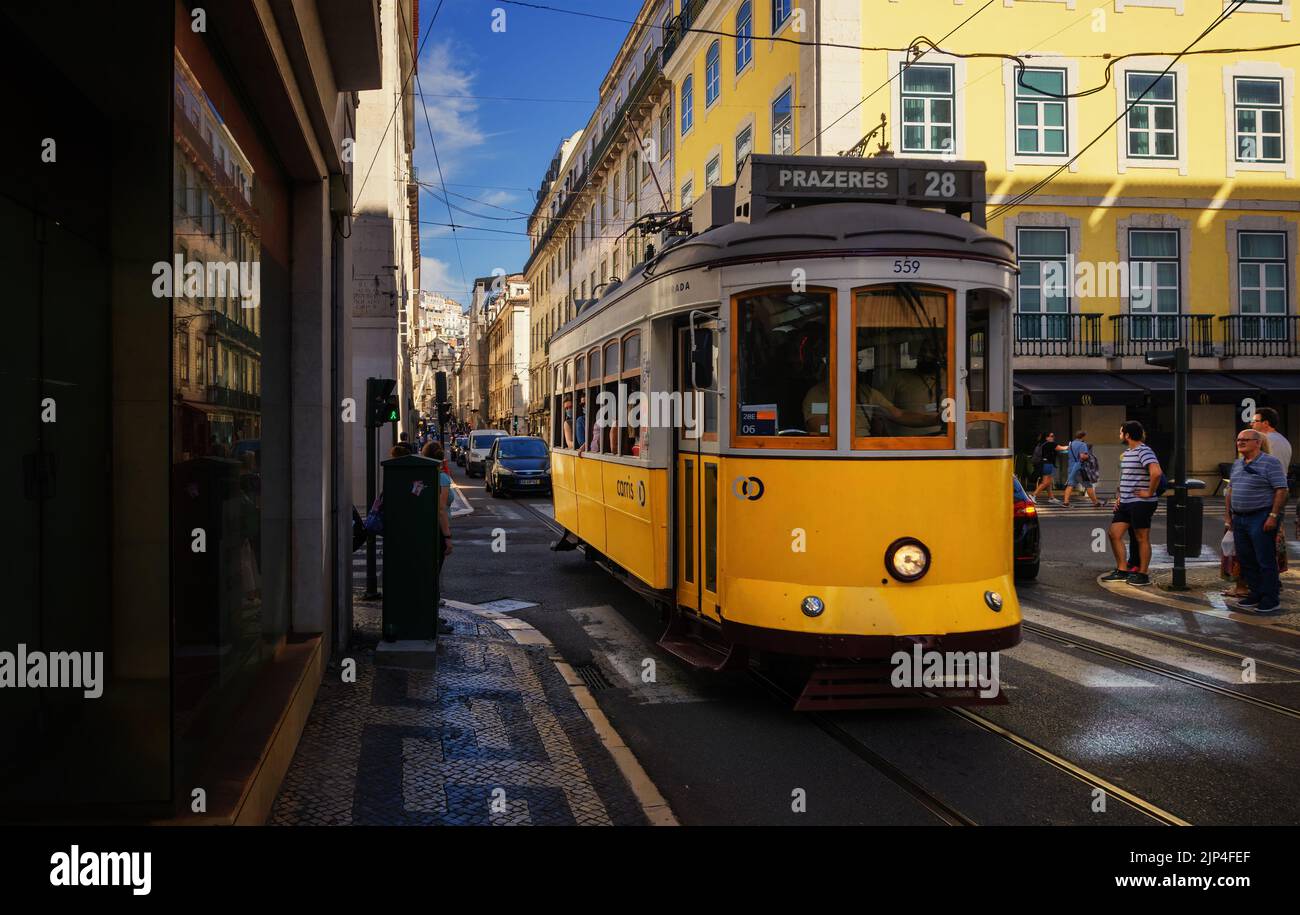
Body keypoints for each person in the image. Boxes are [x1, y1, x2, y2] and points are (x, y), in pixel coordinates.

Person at [1225, 428, 1288, 614]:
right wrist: (1228, 516)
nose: (1240, 442)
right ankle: (1256, 592)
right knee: (1246, 558)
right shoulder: (1237, 464)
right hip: (1240, 517)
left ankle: (1270, 598)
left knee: (1264, 559)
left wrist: (1273, 516)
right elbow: (1230, 490)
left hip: (1260, 516)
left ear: (1258, 443)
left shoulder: (1271, 462)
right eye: (1238, 439)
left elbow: (1281, 489)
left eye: (1245, 439)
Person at [1103, 421, 1163, 586]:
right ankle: (1122, 570)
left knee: (1141, 537)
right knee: (1114, 534)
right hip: (1126, 501)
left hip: (1141, 502)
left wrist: (1149, 492)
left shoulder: (1144, 451)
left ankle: (1143, 574)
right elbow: (1126, 477)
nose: (1120, 434)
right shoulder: (1129, 452)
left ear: (1128, 435)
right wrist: (1120, 497)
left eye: (1121, 432)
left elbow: (1156, 473)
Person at [421, 441, 454, 559]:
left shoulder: (421, 475)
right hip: (438, 530)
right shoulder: (442, 478)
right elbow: (441, 509)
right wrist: (447, 537)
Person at [1063, 430, 1102, 507]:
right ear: (1083, 436)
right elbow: (1082, 456)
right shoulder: (1082, 444)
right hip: (1080, 468)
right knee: (1088, 485)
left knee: (1070, 485)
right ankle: (1095, 502)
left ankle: (1066, 502)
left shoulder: (1070, 444)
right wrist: (1089, 456)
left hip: (1071, 467)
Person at [1030, 432, 1069, 503]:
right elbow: (1062, 448)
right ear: (1046, 437)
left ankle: (1051, 497)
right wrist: (1072, 445)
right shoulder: (1050, 444)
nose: (1053, 438)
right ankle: (1033, 495)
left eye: (1053, 436)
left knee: (1049, 482)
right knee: (1045, 482)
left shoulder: (1042, 444)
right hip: (1047, 464)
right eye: (1051, 436)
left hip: (1044, 464)